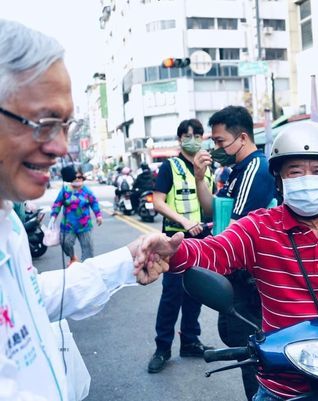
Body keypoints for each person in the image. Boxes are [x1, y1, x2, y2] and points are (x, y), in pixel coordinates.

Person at [136, 121, 318, 401]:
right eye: (295, 172)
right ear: (279, 180)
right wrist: (173, 253)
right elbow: (215, 251)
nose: (307, 180)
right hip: (284, 386)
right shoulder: (259, 227)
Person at [0, 19, 174, 401]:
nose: (62, 148)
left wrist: (125, 259)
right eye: (45, 124)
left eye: (66, 126)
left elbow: (31, 300)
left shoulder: (8, 220)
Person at [193, 105, 275, 400]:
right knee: (245, 345)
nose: (216, 148)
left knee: (253, 353)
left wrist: (197, 249)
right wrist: (199, 176)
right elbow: (211, 209)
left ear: (241, 137)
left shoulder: (257, 168)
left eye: (219, 142)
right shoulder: (236, 171)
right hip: (237, 275)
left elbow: (235, 229)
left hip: (251, 277)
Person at [147, 118, 215, 374]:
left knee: (195, 292)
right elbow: (158, 202)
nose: (192, 139)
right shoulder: (170, 166)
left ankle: (189, 340)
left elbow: (210, 200)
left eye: (197, 134)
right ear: (179, 139)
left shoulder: (208, 167)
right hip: (175, 240)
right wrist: (185, 222)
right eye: (187, 135)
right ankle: (162, 347)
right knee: (172, 295)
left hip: (201, 239)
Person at [50, 169, 102, 264]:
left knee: (88, 249)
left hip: (85, 226)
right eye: (75, 177)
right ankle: (72, 257)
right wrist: (53, 217)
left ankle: (87, 267)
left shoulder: (87, 191)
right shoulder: (65, 190)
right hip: (68, 225)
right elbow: (57, 203)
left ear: (82, 178)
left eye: (79, 177)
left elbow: (94, 203)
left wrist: (98, 215)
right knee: (65, 243)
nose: (77, 179)